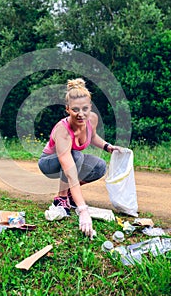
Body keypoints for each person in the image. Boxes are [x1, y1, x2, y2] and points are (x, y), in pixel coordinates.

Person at [38, 78, 120, 238]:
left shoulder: (92, 119)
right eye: (75, 109)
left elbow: (93, 136)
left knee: (100, 166)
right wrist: (83, 211)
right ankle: (61, 199)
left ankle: (69, 195)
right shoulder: (63, 130)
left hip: (73, 159)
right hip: (49, 163)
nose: (81, 114)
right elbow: (70, 172)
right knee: (76, 156)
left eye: (85, 109)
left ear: (90, 107)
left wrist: (107, 146)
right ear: (68, 109)